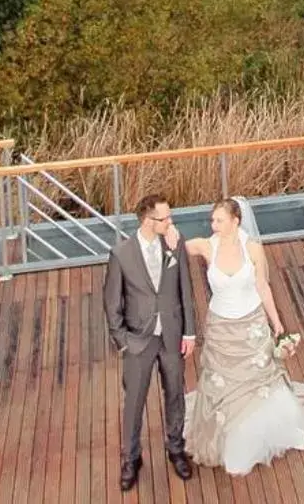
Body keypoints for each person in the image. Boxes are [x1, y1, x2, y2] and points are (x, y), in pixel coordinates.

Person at [182, 196, 304, 475]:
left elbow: (262, 286)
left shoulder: (252, 249)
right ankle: (224, 437)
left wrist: (276, 323)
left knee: (257, 381)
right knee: (222, 382)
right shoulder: (207, 245)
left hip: (251, 324)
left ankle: (253, 437)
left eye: (219, 220)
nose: (213, 225)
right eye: (212, 220)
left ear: (235, 221)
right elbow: (180, 247)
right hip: (221, 327)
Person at [102, 192, 197, 492]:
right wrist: (123, 341)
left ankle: (176, 449)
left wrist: (189, 332)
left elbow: (185, 288)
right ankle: (131, 459)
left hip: (171, 334)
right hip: (138, 340)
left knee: (175, 396)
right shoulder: (121, 254)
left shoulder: (175, 243)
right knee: (133, 403)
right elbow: (111, 302)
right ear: (146, 220)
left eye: (170, 216)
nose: (170, 222)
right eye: (164, 218)